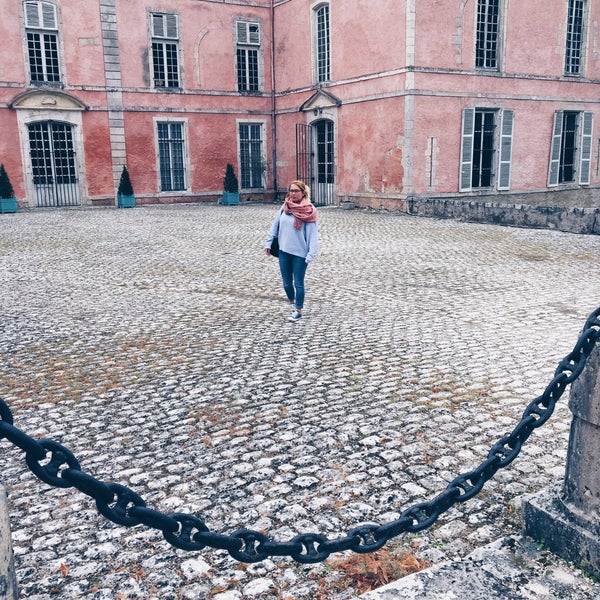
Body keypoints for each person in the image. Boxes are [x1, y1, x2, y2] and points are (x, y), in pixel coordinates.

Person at [265, 180, 318, 322]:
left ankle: (298, 310)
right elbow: (275, 226)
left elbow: (313, 234)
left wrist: (311, 253)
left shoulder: (309, 210)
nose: (293, 193)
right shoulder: (285, 207)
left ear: (303, 192)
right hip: (284, 251)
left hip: (300, 254)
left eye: (296, 191)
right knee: (287, 283)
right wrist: (268, 243)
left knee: (298, 283)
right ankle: (293, 303)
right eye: (291, 190)